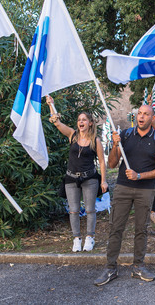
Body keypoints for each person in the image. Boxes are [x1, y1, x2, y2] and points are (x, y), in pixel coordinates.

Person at [93, 105, 155, 286]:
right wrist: (116, 145)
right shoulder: (125, 135)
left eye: (146, 114)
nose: (141, 117)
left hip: (146, 189)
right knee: (115, 228)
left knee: (141, 229)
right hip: (123, 187)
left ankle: (138, 267)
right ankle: (110, 268)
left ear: (152, 118)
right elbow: (111, 164)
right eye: (139, 114)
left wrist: (139, 176)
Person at [47, 96, 107, 252]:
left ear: (90, 123)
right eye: (79, 120)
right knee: (73, 210)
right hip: (71, 178)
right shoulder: (72, 135)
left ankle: (90, 238)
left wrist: (104, 181)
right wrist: (51, 104)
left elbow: (101, 161)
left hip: (90, 178)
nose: (81, 122)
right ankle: (76, 239)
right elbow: (57, 122)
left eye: (84, 120)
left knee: (90, 209)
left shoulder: (96, 140)